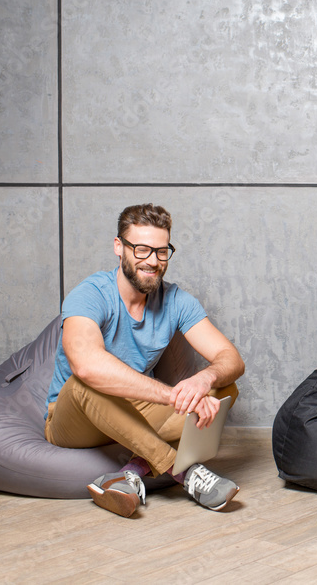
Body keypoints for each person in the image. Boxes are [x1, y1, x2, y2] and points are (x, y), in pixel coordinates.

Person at [44, 203, 245, 517]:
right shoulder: (91, 294)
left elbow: (230, 358)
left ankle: (131, 472)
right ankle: (185, 474)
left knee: (225, 387)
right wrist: (172, 395)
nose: (152, 261)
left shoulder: (177, 300)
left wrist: (202, 380)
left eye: (161, 251)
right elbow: (86, 366)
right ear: (118, 247)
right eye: (141, 250)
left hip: (135, 409)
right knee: (85, 382)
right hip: (74, 418)